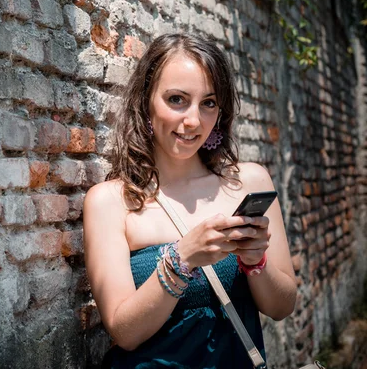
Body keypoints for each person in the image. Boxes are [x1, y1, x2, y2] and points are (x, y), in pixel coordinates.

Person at [83, 32, 297, 368]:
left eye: (208, 103)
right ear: (146, 103)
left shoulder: (248, 182)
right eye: (177, 99)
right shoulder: (110, 202)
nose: (194, 121)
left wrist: (257, 263)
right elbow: (125, 332)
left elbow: (282, 307)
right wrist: (181, 259)